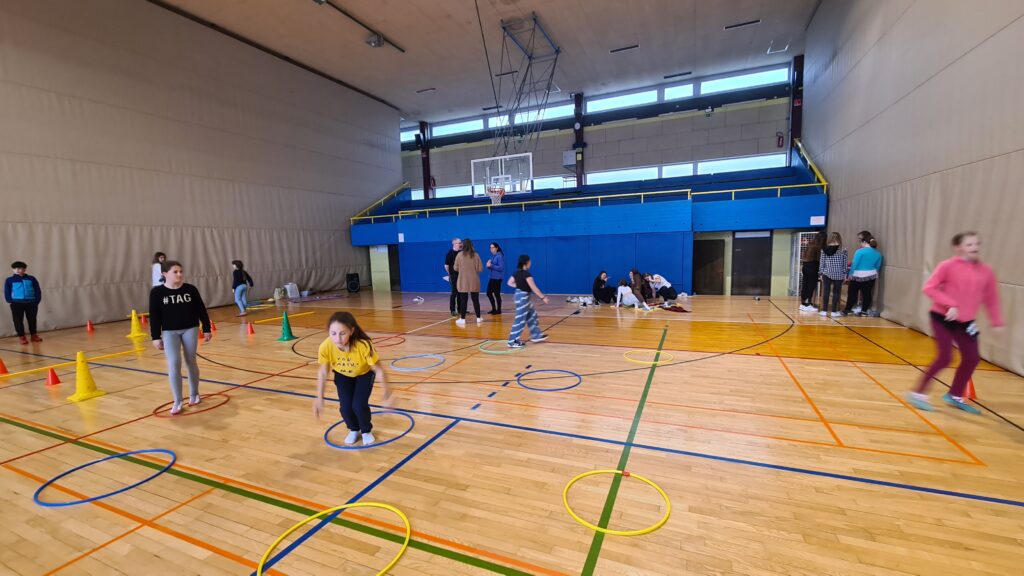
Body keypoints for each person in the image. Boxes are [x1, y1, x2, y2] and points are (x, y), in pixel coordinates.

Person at [907, 232, 1004, 414]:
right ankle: (918, 394)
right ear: (958, 248)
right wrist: (950, 304)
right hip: (942, 318)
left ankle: (955, 394)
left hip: (966, 322)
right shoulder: (947, 266)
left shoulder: (986, 271)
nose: (974, 247)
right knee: (945, 357)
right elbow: (929, 288)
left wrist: (997, 320)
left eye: (976, 244)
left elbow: (991, 298)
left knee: (972, 357)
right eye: (969, 244)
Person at [313, 311, 391, 445]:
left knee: (359, 405)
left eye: (342, 333)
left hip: (364, 374)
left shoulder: (363, 345)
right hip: (342, 375)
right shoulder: (325, 346)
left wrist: (387, 394)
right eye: (333, 333)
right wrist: (319, 397)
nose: (337, 339)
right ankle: (354, 429)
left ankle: (366, 430)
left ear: (351, 331)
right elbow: (323, 372)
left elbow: (379, 370)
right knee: (346, 407)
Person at [149, 261, 212, 415]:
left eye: (181, 271)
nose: (179, 274)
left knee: (190, 361)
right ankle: (177, 400)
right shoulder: (157, 293)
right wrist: (155, 336)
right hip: (169, 332)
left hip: (190, 328)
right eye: (175, 272)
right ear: (165, 274)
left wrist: (206, 328)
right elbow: (154, 316)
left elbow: (201, 310)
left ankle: (194, 394)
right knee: (174, 363)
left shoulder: (190, 289)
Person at [506, 255, 550, 348]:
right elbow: (534, 288)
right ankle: (512, 341)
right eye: (530, 262)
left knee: (532, 315)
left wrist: (519, 285)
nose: (530, 263)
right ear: (526, 263)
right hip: (523, 298)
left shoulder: (516, 273)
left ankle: (536, 336)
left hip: (519, 296)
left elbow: (509, 283)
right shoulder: (527, 274)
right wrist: (543, 298)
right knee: (520, 319)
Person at [844, 233, 883, 316]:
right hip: (871, 275)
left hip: (857, 275)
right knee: (867, 293)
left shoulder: (859, 251)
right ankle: (864, 311)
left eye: (860, 242)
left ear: (864, 242)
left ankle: (848, 309)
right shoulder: (878, 253)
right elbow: (878, 266)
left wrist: (850, 274)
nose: (860, 244)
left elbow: (855, 264)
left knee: (852, 293)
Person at [5, 261, 42, 345]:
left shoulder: (31, 278)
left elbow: (37, 289)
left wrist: (37, 300)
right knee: (18, 320)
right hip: (16, 303)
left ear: (24, 269)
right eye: (15, 268)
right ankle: (22, 336)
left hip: (31, 303)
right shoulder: (9, 280)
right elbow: (7, 291)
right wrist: (9, 300)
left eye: (19, 268)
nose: (17, 270)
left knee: (32, 319)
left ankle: (34, 335)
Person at [454, 238, 484, 326]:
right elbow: (480, 269)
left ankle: (463, 319)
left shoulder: (459, 255)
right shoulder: (476, 255)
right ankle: (478, 318)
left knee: (463, 300)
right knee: (475, 300)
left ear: (463, 245)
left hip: (463, 280)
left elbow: (455, 268)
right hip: (474, 280)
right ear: (471, 245)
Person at [817, 232, 848, 318]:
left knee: (826, 291)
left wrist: (820, 273)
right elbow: (845, 263)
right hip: (839, 273)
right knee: (836, 292)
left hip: (827, 273)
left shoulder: (824, 249)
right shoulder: (843, 249)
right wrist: (845, 274)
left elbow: (822, 262)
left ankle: (824, 311)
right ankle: (834, 311)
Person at [799, 232, 823, 312]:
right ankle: (807, 304)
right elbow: (819, 260)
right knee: (810, 286)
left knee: (805, 285)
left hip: (805, 266)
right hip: (812, 267)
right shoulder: (818, 247)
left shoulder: (810, 245)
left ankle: (803, 303)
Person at [444, 238, 462, 316]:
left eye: (460, 243)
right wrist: (450, 274)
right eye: (459, 243)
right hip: (453, 275)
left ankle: (460, 309)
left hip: (461, 275)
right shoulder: (450, 253)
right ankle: (452, 310)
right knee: (454, 292)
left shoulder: (461, 253)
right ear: (454, 244)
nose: (460, 244)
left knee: (460, 292)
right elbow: (446, 266)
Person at [485, 242, 505, 314]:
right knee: (489, 293)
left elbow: (501, 268)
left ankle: (498, 310)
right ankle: (494, 309)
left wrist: (491, 265)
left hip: (497, 278)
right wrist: (488, 266)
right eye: (490, 247)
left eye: (493, 247)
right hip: (492, 277)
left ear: (496, 248)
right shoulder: (493, 256)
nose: (491, 249)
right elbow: (492, 267)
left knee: (496, 294)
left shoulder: (499, 256)